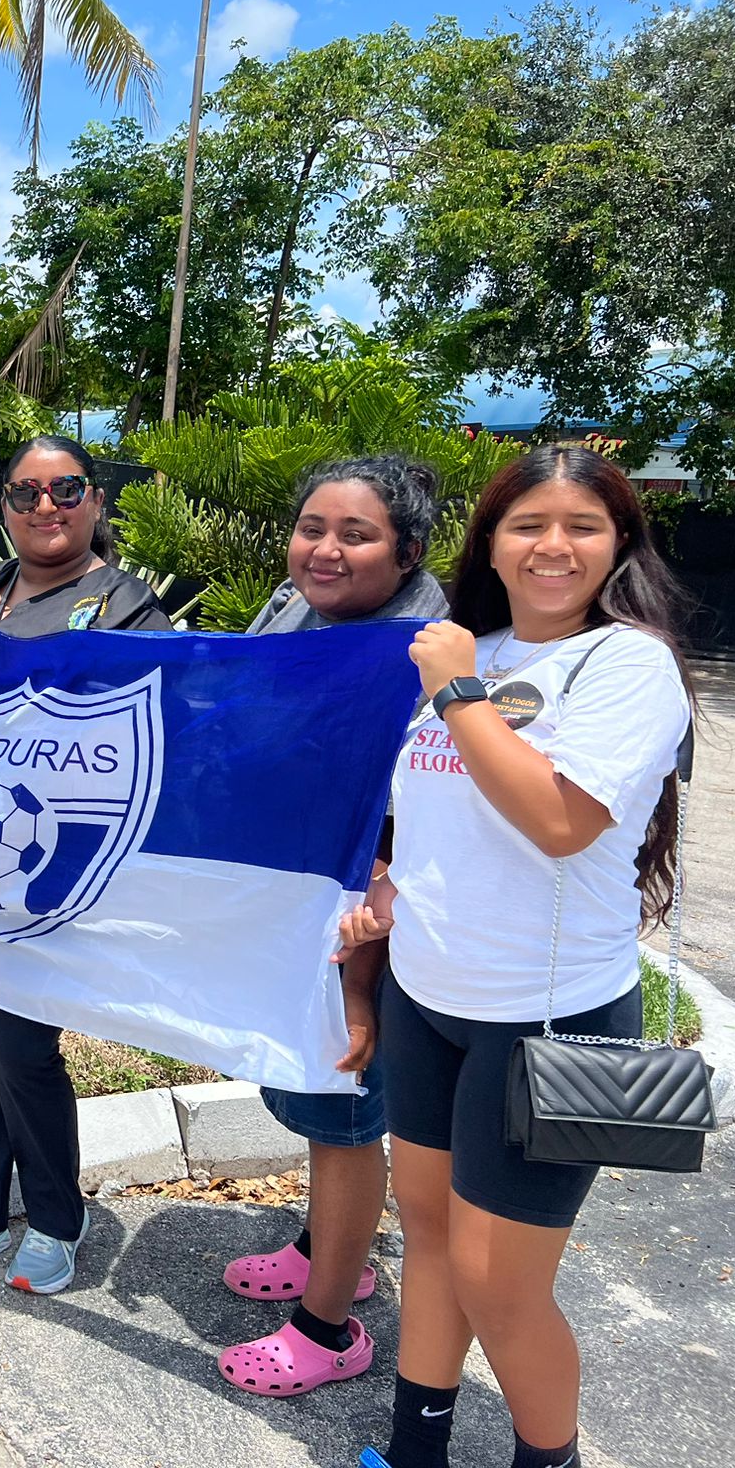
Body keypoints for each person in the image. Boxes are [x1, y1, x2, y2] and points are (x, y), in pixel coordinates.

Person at [345, 447, 692, 1468]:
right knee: (431, 1240)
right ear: (489, 543)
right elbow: (431, 826)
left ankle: (549, 1459)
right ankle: (416, 1448)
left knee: (501, 1280)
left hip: (546, 1020)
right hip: (426, 998)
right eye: (525, 524)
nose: (551, 545)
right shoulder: (466, 649)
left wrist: (454, 690)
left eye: (580, 525)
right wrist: (384, 895)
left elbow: (554, 820)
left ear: (616, 544)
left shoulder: (624, 664)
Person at [0, 435, 173, 1294]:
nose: (46, 507)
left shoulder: (127, 609)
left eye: (66, 490)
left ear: (97, 502)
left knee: (19, 1042)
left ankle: (57, 1215)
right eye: (25, 493)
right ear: (3, 506)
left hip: (53, 864)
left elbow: (151, 730)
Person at [215, 456, 450, 1397]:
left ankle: (330, 1325)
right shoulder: (291, 605)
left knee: (345, 1115)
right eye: (313, 526)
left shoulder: (427, 653)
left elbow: (427, 814)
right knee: (310, 1094)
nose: (325, 549)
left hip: (368, 926)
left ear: (409, 551)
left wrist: (372, 946)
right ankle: (327, 1250)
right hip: (295, 899)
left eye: (357, 534)